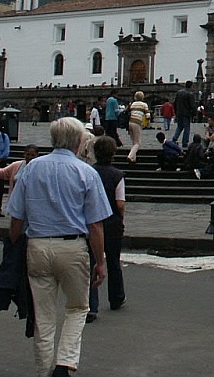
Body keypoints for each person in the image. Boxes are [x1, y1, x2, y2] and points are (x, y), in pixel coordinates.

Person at [6, 117, 111, 377]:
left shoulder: (31, 168)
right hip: (72, 247)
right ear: (78, 142)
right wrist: (101, 261)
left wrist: (13, 248)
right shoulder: (87, 172)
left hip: (38, 246)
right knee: (77, 308)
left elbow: (16, 218)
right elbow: (95, 225)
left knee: (43, 316)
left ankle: (44, 370)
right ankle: (64, 364)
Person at [87, 136, 126, 322]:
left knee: (92, 262)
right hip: (112, 223)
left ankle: (91, 304)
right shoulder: (117, 175)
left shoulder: (88, 172)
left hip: (92, 221)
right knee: (113, 261)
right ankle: (116, 297)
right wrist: (121, 218)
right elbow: (120, 203)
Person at [126, 91, 150, 164]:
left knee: (134, 141)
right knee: (138, 143)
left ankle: (133, 159)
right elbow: (148, 115)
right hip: (137, 122)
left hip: (130, 122)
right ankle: (130, 156)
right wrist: (147, 122)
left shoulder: (132, 104)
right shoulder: (144, 104)